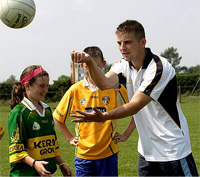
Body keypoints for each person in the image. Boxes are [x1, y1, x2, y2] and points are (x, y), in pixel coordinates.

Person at [70, 20, 199, 176]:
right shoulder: (123, 65)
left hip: (173, 150)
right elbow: (104, 83)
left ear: (142, 42)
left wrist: (104, 116)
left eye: (127, 42)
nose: (122, 48)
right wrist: (89, 62)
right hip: (146, 152)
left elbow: (136, 104)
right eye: (119, 43)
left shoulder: (158, 67)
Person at [53, 46, 129, 176]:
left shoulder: (115, 88)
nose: (93, 70)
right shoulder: (75, 90)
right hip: (83, 155)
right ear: (83, 66)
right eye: (89, 66)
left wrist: (126, 134)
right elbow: (57, 117)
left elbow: (136, 110)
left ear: (104, 64)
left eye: (97, 66)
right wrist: (69, 138)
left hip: (108, 153)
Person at [8, 65, 73, 176]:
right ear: (28, 86)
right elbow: (17, 150)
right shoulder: (19, 112)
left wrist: (61, 163)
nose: (46, 90)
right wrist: (35, 164)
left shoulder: (47, 110)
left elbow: (52, 145)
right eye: (42, 86)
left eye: (47, 86)